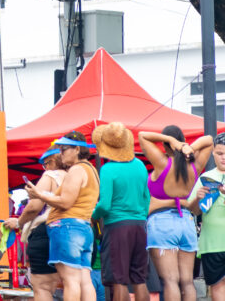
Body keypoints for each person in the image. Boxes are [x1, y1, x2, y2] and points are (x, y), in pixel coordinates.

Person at [25, 131, 100, 301]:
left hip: (67, 227)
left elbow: (66, 202)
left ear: (76, 149)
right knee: (84, 280)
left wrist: (39, 194)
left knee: (71, 280)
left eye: (64, 149)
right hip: (84, 227)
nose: (60, 154)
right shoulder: (91, 170)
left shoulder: (77, 169)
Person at [139, 126, 212, 301]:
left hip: (162, 223)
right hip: (186, 221)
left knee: (170, 281)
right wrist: (188, 148)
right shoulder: (194, 165)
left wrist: (173, 142)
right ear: (182, 140)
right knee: (187, 282)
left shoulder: (162, 162)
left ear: (165, 145)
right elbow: (209, 139)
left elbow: (143, 135)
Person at [90, 123, 150, 301]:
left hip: (117, 227)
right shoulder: (140, 165)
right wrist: (139, 216)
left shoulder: (108, 169)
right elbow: (146, 197)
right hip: (140, 225)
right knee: (139, 279)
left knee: (119, 280)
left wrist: (93, 215)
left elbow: (105, 205)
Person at [7, 148, 67, 301]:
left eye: (45, 164)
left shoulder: (50, 176)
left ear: (53, 162)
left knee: (43, 287)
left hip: (48, 231)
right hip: (75, 232)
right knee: (73, 283)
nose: (45, 169)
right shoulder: (77, 176)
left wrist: (19, 222)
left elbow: (34, 207)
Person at [189, 133, 225, 301]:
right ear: (213, 153)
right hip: (212, 243)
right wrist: (198, 198)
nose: (223, 157)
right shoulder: (205, 178)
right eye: (219, 153)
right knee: (217, 286)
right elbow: (194, 211)